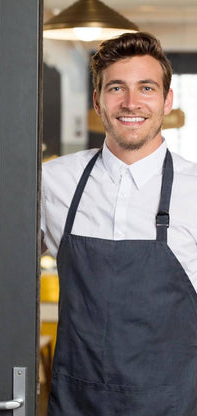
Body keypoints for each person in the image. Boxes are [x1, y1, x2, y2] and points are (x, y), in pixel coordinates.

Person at [42, 31, 197, 416]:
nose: (131, 103)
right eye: (116, 88)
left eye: (146, 87)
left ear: (166, 100)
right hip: (76, 402)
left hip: (174, 403)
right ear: (97, 101)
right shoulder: (52, 182)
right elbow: (10, 280)